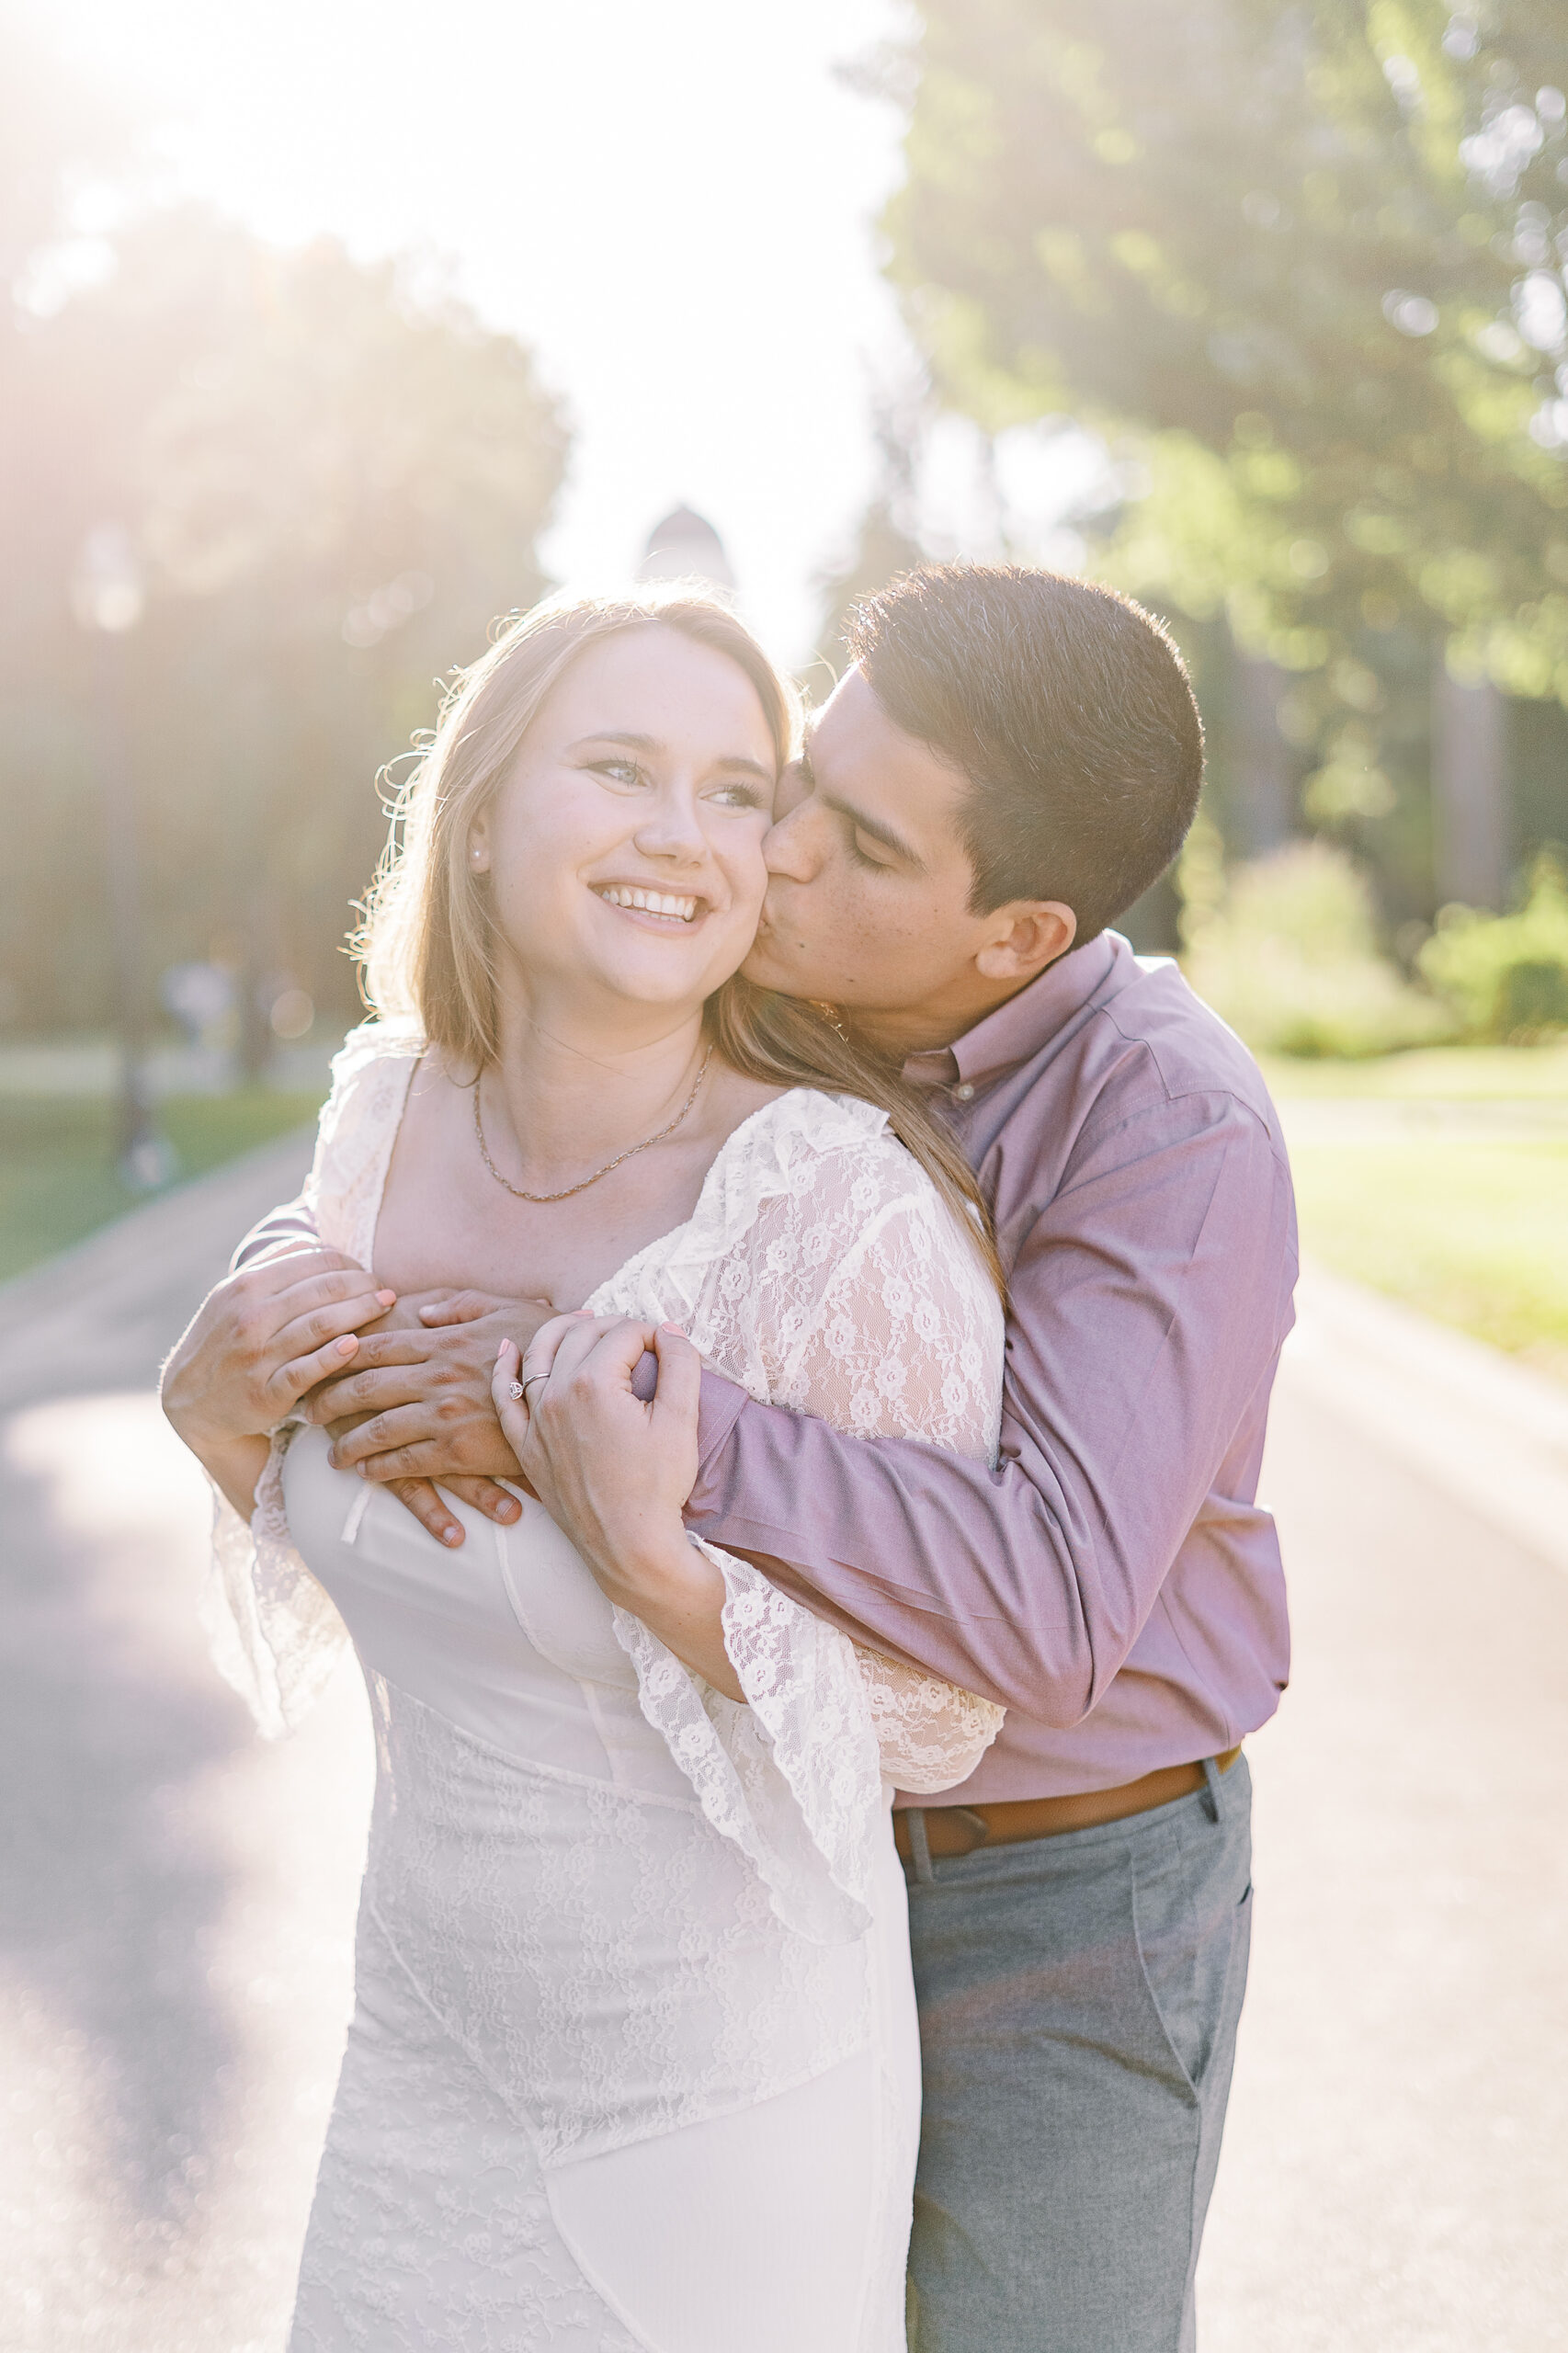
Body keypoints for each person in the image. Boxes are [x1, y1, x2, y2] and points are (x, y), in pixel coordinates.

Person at [171, 563, 1299, 2352]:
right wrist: (275, 1298)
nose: (761, 857)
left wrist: (597, 1408)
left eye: (839, 837)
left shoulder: (1167, 1126)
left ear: (1009, 932)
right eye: (794, 785)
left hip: (1048, 1884)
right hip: (699, 1891)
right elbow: (518, 1128)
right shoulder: (777, 985)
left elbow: (1052, 1596)